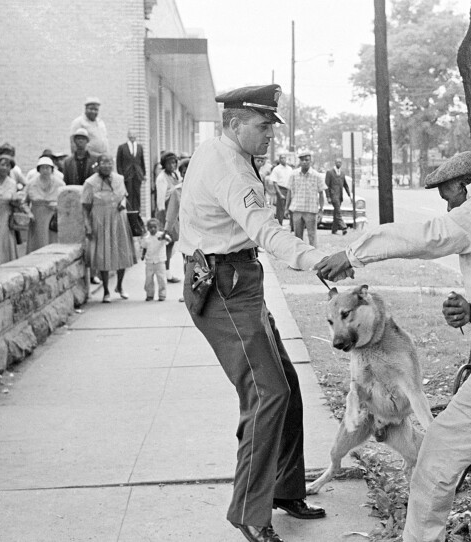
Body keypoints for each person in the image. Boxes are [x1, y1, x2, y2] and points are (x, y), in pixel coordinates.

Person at [316, 151, 471, 542]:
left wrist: (352, 253)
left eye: (447, 196)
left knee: (436, 455)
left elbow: (431, 236)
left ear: (462, 185)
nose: (448, 205)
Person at [178, 84, 337, 542]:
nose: (271, 135)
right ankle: (250, 509)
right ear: (234, 124)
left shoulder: (222, 152)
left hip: (237, 279)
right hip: (224, 287)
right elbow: (263, 229)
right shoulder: (231, 169)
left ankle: (285, 487)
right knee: (268, 393)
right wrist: (314, 259)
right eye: (262, 126)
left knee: (285, 385)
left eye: (272, 126)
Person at [81, 154, 136, 303]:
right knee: (103, 255)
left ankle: (119, 285)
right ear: (97, 165)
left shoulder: (119, 179)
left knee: (122, 252)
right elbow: (85, 207)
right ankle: (106, 290)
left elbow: (123, 195)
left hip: (118, 218)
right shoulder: (90, 183)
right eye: (103, 163)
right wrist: (87, 225)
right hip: (100, 220)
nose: (106, 166)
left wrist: (123, 202)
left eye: (109, 163)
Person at [24, 155, 65, 253]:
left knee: (52, 242)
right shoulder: (31, 183)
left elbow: (65, 202)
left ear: (52, 169)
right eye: (43, 167)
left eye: (48, 167)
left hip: (53, 217)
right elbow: (24, 202)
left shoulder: (60, 184)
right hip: (36, 217)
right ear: (38, 169)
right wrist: (28, 213)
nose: (45, 170)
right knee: (37, 243)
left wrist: (57, 206)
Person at [285, 150, 326, 247]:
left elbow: (321, 193)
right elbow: (289, 192)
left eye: (307, 160)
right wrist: (286, 208)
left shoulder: (317, 175)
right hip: (297, 210)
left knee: (312, 236)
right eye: (302, 160)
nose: (304, 162)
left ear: (310, 161)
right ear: (300, 161)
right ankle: (300, 257)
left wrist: (321, 210)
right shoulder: (293, 174)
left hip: (311, 211)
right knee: (297, 237)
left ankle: (314, 258)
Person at [163, 156, 188, 297]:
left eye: (188, 171)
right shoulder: (177, 191)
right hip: (186, 231)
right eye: (183, 172)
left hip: (205, 230)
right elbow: (171, 214)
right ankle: (188, 292)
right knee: (188, 261)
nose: (185, 175)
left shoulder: (204, 187)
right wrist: (166, 230)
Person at [155, 151, 181, 283]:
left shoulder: (175, 174)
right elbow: (160, 200)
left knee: (172, 243)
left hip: (174, 212)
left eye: (175, 162)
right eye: (170, 162)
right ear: (164, 164)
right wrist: (164, 217)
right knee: (166, 243)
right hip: (166, 212)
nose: (173, 165)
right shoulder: (162, 178)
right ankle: (165, 272)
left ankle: (167, 271)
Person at [116, 129, 146, 218]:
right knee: (128, 193)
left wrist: (143, 174)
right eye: (131, 135)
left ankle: (137, 213)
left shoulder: (140, 147)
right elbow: (119, 163)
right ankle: (129, 213)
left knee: (137, 194)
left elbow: (142, 161)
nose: (132, 137)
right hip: (127, 174)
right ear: (128, 136)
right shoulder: (122, 147)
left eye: (134, 135)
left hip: (137, 174)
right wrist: (121, 175)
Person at [140, 217, 170, 301]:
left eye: (155, 227)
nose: (153, 229)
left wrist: (165, 237)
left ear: (158, 227)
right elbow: (144, 248)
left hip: (160, 261)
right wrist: (142, 255)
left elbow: (168, 240)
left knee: (161, 279)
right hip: (149, 262)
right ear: (148, 228)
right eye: (150, 227)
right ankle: (149, 294)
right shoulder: (146, 238)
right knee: (148, 279)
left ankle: (162, 294)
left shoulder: (162, 236)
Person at [325, 158, 351, 235]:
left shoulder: (342, 173)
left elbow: (345, 185)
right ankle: (344, 227)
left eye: (340, 162)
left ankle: (334, 229)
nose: (339, 163)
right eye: (337, 162)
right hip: (333, 196)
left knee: (336, 212)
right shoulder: (329, 172)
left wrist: (349, 195)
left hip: (340, 196)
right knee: (338, 212)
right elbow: (326, 186)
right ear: (335, 163)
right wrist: (328, 197)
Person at [269, 153, 292, 225]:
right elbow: (275, 183)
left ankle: (292, 226)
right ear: (279, 160)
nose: (283, 160)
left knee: (290, 207)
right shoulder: (276, 169)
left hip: (289, 189)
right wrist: (280, 193)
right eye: (281, 158)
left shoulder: (290, 169)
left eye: (284, 158)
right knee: (280, 208)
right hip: (281, 189)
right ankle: (279, 224)